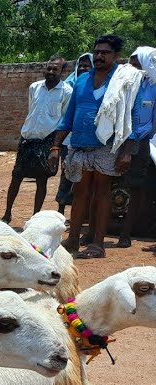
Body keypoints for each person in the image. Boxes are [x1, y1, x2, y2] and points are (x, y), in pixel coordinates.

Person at [50, 35, 142, 258]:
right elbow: (68, 116)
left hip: (107, 147)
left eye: (105, 52)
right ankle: (72, 241)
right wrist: (55, 147)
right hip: (80, 145)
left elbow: (133, 117)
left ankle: (97, 245)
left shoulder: (124, 81)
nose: (100, 56)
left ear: (116, 56)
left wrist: (127, 151)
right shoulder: (82, 80)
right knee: (79, 193)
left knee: (102, 194)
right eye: (97, 51)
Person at [3, 56, 72, 223]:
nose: (50, 71)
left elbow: (64, 119)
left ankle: (34, 217)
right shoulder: (35, 87)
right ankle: (7, 214)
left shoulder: (67, 92)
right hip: (27, 138)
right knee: (16, 176)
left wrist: (55, 147)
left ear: (62, 71)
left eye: (55, 69)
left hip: (47, 140)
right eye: (48, 68)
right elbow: (31, 110)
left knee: (42, 180)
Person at [121, 46, 155, 249]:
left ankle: (126, 233)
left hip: (141, 143)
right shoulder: (122, 83)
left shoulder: (153, 87)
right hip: (117, 141)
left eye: (136, 63)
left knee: (136, 188)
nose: (131, 67)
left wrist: (144, 137)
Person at [55, 53, 94, 214]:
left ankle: (82, 212)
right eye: (81, 65)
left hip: (89, 141)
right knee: (67, 173)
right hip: (68, 139)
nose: (84, 68)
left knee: (86, 177)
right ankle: (61, 210)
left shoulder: (96, 87)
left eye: (87, 65)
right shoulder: (68, 87)